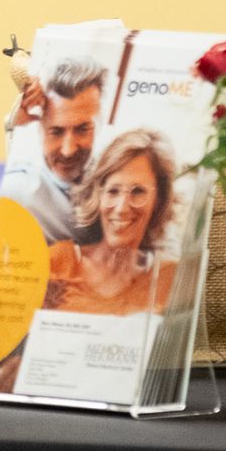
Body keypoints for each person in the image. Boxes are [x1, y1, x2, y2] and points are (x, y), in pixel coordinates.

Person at [43, 129, 180, 315]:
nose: (122, 208)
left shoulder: (170, 278)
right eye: (113, 191)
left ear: (159, 199)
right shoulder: (56, 262)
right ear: (98, 196)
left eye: (138, 191)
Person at [2, 57, 106, 241]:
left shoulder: (117, 182)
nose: (68, 150)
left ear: (100, 124)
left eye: (82, 129)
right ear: (39, 127)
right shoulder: (20, 190)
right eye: (56, 132)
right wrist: (12, 127)